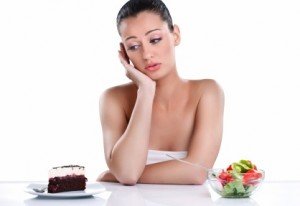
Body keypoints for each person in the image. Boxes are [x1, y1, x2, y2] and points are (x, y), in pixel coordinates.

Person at [97, 0, 224, 185]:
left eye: (155, 40)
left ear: (175, 35)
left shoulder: (207, 93)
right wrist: (146, 91)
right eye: (133, 46)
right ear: (124, 52)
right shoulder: (113, 100)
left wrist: (112, 175)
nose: (147, 54)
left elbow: (196, 173)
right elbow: (128, 174)